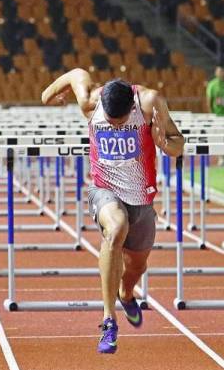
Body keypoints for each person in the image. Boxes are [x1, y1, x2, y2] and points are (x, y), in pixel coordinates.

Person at [41, 69, 184, 354]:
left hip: (141, 198)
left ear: (132, 107)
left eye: (120, 122)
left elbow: (178, 144)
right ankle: (109, 320)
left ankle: (126, 293)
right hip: (104, 189)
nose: (116, 126)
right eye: (110, 121)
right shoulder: (90, 101)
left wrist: (164, 144)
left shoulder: (149, 101)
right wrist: (49, 95)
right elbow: (75, 73)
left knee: (137, 267)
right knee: (116, 228)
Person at [206, 66, 224, 165]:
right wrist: (211, 115)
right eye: (219, 71)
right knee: (218, 137)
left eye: (222, 71)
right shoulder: (212, 84)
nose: (221, 73)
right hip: (217, 116)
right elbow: (209, 101)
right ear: (216, 72)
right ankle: (221, 158)